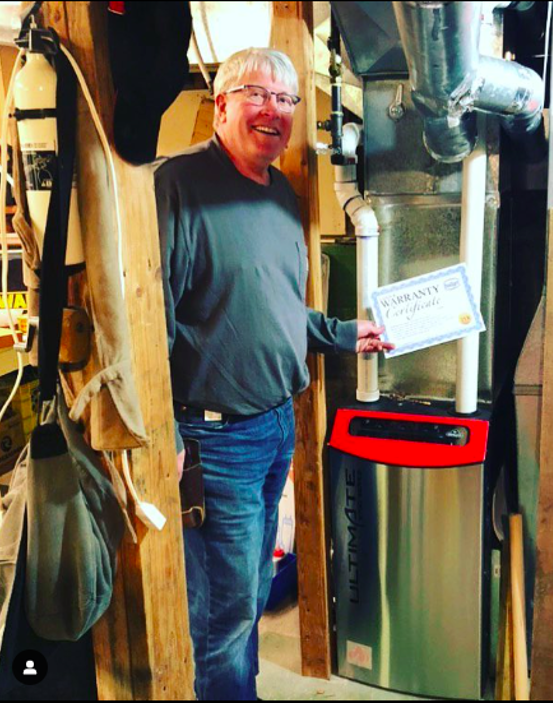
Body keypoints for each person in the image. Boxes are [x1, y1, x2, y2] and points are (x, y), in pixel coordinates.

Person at [154, 47, 392, 701]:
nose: (273, 110)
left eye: (286, 100)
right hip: (215, 439)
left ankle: (243, 689)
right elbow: (152, 317)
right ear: (221, 104)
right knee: (223, 607)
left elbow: (276, 307)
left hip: (275, 425)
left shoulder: (282, 193)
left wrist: (342, 333)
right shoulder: (179, 185)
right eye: (257, 94)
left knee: (253, 587)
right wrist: (165, 432)